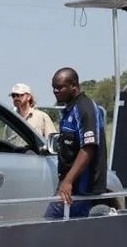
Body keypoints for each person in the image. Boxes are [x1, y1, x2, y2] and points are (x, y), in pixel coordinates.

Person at [44, 67, 108, 219]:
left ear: (74, 86)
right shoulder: (69, 110)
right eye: (53, 87)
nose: (55, 91)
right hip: (71, 186)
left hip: (81, 187)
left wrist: (68, 181)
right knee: (66, 233)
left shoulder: (85, 109)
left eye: (60, 87)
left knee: (49, 225)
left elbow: (89, 147)